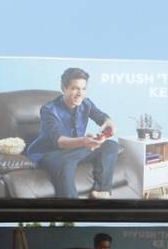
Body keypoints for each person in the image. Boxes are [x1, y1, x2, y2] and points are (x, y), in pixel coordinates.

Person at [25, 67, 119, 199]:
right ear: (63, 88)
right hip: (51, 153)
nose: (80, 93)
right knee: (65, 163)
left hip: (76, 149)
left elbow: (101, 117)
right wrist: (83, 141)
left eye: (83, 89)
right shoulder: (49, 110)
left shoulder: (86, 103)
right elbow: (59, 141)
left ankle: (102, 191)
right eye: (75, 88)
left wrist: (109, 123)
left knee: (111, 146)